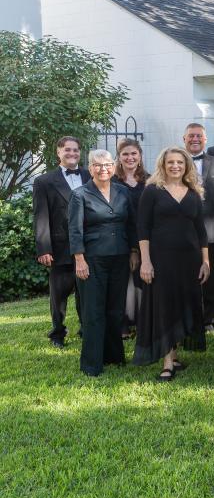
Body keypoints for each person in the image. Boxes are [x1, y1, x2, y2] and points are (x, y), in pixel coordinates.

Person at [132, 147, 209, 380]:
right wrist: (145, 261)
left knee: (181, 304)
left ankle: (174, 355)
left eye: (180, 162)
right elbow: (142, 229)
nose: (175, 166)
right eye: (171, 162)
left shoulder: (194, 193)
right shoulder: (152, 191)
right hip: (161, 258)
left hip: (189, 259)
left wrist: (206, 261)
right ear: (163, 165)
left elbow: (201, 231)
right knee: (164, 306)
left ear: (186, 166)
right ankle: (167, 363)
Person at [67, 149, 138, 377]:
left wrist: (134, 250)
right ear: (90, 167)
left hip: (119, 257)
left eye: (107, 164)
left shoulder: (123, 192)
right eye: (97, 165)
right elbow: (75, 230)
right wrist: (79, 259)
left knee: (115, 310)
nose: (103, 169)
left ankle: (114, 357)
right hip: (92, 259)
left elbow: (132, 225)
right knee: (93, 311)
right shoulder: (80, 195)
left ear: (114, 166)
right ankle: (92, 364)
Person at [33, 136, 90, 348]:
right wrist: (44, 248)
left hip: (88, 245)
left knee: (86, 294)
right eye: (67, 150)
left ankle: (87, 329)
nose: (72, 154)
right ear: (58, 152)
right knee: (59, 296)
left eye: (76, 150)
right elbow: (41, 216)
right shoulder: (44, 181)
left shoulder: (90, 175)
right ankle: (58, 333)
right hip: (60, 247)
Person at [183, 123, 214, 332]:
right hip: (183, 233)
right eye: (191, 136)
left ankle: (209, 319)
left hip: (211, 233)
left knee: (212, 278)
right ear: (184, 139)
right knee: (186, 277)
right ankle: (187, 319)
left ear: (205, 139)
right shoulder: (175, 162)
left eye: (199, 136)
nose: (195, 139)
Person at [114, 138, 147, 339]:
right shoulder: (112, 182)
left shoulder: (150, 181)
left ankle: (144, 321)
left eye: (134, 153)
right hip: (120, 238)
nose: (130, 157)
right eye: (125, 154)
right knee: (122, 283)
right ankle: (123, 323)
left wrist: (137, 248)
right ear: (119, 158)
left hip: (145, 239)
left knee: (142, 280)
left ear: (140, 156)